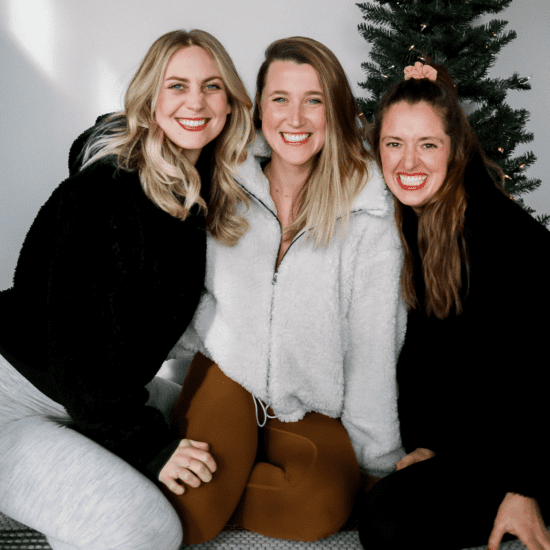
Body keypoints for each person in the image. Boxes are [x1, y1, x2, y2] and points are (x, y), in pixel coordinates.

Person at [0, 29, 253, 550]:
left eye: (212, 87)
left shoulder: (193, 188)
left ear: (230, 103)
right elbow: (78, 357)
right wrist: (152, 449)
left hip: (83, 392)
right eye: (176, 86)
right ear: (150, 98)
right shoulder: (109, 194)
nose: (196, 102)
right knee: (145, 528)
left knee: (217, 406)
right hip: (18, 396)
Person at [164, 36, 407, 544]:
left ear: (335, 111)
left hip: (310, 402)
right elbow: (189, 293)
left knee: (318, 510)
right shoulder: (223, 180)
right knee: (189, 518)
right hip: (227, 379)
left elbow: (372, 342)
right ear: (258, 108)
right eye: (280, 99)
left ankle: (238, 474)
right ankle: (205, 474)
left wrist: (375, 459)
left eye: (313, 100)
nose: (295, 119)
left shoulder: (368, 211)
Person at [357, 61, 550, 550]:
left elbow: (539, 369)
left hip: (540, 436)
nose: (408, 162)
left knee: (387, 524)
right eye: (394, 143)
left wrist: (525, 488)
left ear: (455, 150)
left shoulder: (498, 235)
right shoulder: (419, 221)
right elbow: (436, 357)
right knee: (384, 514)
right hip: (479, 445)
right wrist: (431, 447)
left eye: (428, 144)